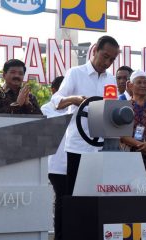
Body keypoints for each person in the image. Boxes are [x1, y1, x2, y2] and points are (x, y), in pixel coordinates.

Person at [51, 35, 120, 195]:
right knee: (76, 196)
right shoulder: (75, 73)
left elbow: (112, 110)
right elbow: (56, 100)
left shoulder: (111, 79)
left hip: (103, 147)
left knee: (99, 196)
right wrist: (73, 99)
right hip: (78, 146)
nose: (107, 63)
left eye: (112, 59)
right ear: (95, 50)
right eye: (105, 56)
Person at [41, 76, 67, 240]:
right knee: (61, 202)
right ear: (53, 91)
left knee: (74, 202)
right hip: (56, 164)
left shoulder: (77, 107)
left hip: (77, 161)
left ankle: (71, 239)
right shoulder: (45, 109)